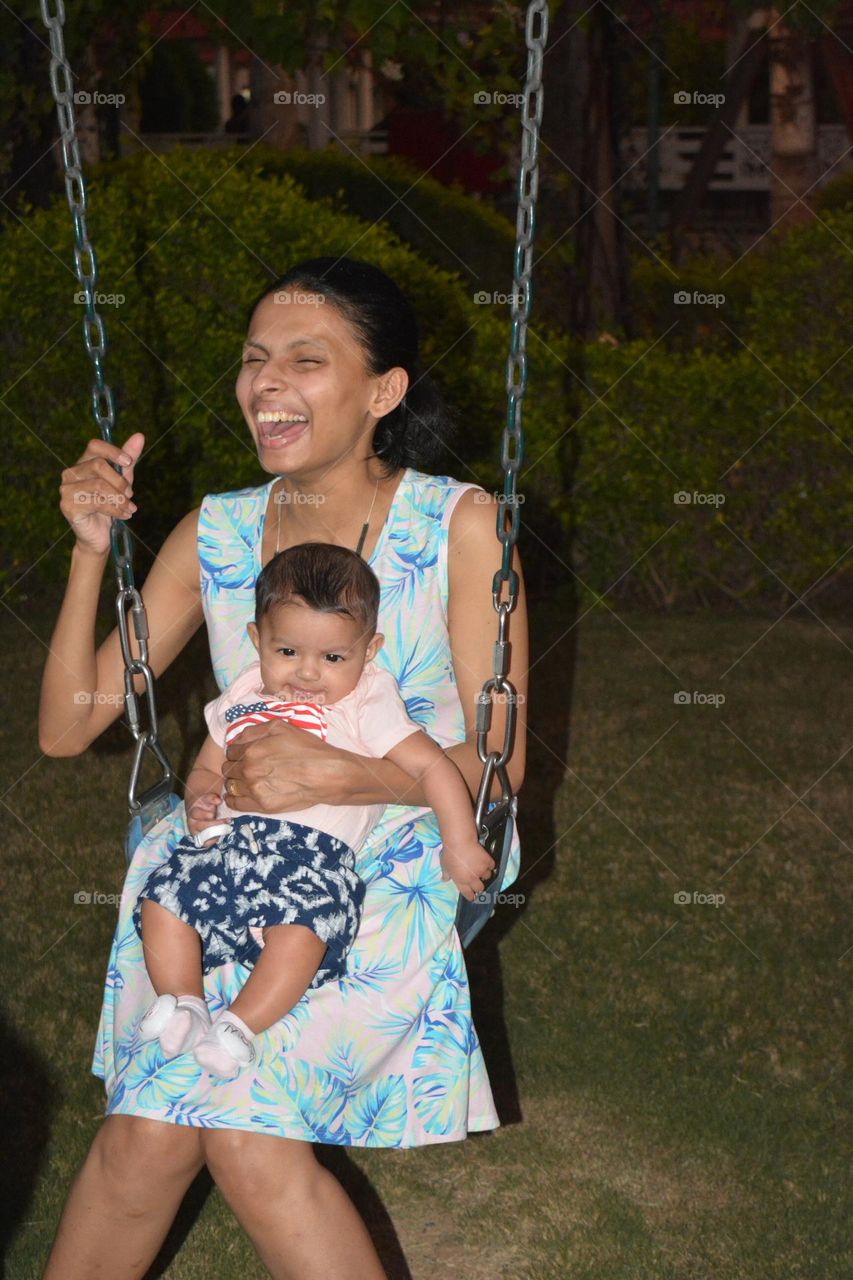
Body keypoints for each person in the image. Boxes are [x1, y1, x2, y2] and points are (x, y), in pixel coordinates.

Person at [39, 255, 528, 1280]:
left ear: (383, 390)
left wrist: (337, 777)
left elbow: (499, 762)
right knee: (146, 1135)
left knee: (248, 1136)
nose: (266, 382)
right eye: (255, 358)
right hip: (224, 859)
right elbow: (67, 726)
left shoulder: (459, 525)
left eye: (307, 359)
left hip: (396, 852)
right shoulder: (215, 530)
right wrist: (90, 549)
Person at [134, 541, 493, 1079]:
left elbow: (433, 769)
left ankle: (239, 1026)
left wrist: (460, 842)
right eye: (287, 653)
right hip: (228, 848)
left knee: (302, 932)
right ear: (257, 640)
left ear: (368, 651)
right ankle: (184, 1001)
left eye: (332, 658)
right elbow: (208, 764)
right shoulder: (245, 691)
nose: (306, 674)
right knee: (164, 900)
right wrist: (199, 800)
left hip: (311, 861)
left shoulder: (366, 699)